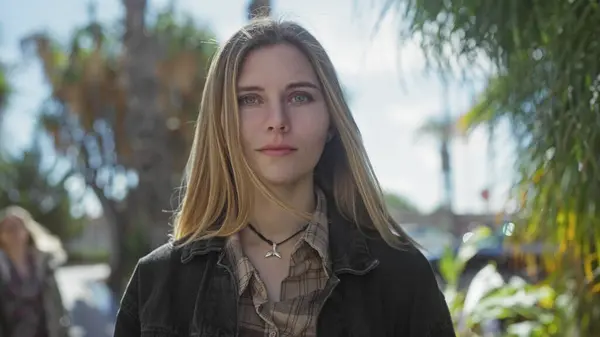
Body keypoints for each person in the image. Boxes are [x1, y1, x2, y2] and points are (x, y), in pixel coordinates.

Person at [114, 18, 455, 337]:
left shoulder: (402, 278)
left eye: (299, 96)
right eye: (250, 99)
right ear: (221, 122)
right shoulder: (156, 283)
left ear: (332, 119)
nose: (277, 120)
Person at [0, 206, 70, 337]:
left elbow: (58, 307)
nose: (13, 233)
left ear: (27, 231)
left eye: (17, 227)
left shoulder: (44, 265)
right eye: (7, 229)